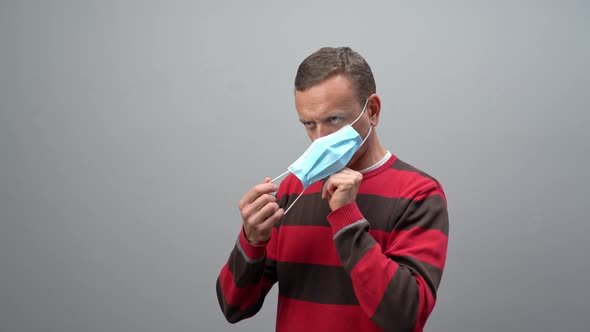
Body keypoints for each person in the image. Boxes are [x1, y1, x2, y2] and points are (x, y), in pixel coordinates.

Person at [216, 47, 449, 332]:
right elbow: (234, 307)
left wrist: (346, 216)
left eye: (334, 120)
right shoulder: (294, 189)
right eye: (309, 124)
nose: (320, 138)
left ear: (372, 111)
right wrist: (252, 240)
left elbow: (404, 317)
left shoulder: (419, 193)